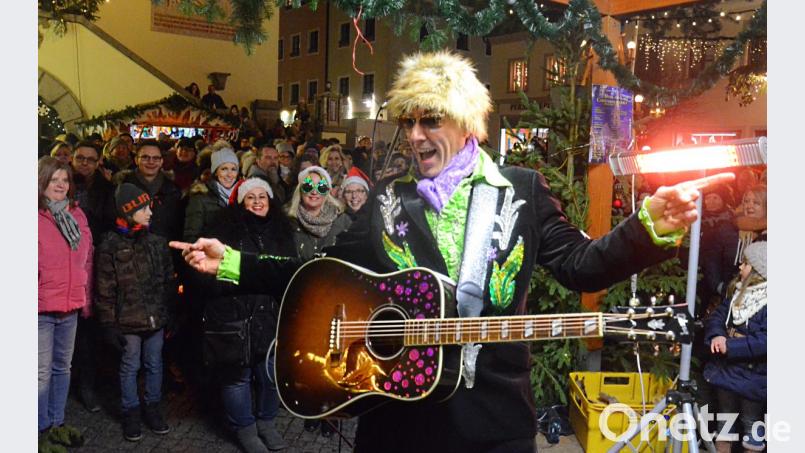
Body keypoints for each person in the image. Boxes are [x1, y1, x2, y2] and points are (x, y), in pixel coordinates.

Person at [172, 51, 734, 453]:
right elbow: (321, 273)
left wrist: (647, 228)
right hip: (392, 419)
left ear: (466, 124)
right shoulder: (389, 197)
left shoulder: (520, 191)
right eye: (408, 121)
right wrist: (234, 263)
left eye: (430, 120)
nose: (415, 135)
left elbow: (580, 265)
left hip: (491, 423)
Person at [199, 178, 295, 452]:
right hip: (233, 316)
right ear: (240, 203)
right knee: (236, 377)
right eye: (250, 197)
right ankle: (246, 428)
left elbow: (286, 273)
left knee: (269, 374)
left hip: (269, 315)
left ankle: (267, 422)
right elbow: (209, 274)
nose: (256, 202)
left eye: (261, 196)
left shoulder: (282, 232)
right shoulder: (222, 230)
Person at [95, 183, 175, 442]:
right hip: (127, 319)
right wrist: (108, 323)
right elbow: (104, 287)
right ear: (128, 212)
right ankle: (130, 410)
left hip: (155, 317)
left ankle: (152, 407)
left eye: (149, 206)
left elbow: (166, 280)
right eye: (143, 208)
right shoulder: (111, 244)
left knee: (154, 363)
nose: (149, 212)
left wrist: (169, 311)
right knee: (131, 365)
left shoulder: (156, 241)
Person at [38, 157, 92, 451]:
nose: (60, 184)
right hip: (40, 309)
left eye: (64, 179)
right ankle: (38, 430)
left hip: (69, 306)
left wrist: (85, 297)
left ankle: (56, 423)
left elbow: (88, 259)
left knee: (62, 367)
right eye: (53, 179)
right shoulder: (33, 216)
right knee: (39, 372)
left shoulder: (77, 215)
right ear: (40, 182)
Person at [704, 241, 767, 453]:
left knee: (752, 424)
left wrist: (732, 347)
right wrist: (717, 336)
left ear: (758, 270)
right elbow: (717, 318)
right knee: (725, 421)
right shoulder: (736, 295)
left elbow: (765, 341)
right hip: (727, 372)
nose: (740, 267)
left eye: (746, 264)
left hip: (753, 376)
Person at [70, 141, 116, 413]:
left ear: (98, 162)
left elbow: (109, 225)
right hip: (66, 264)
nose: (84, 163)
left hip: (94, 263)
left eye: (90, 159)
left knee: (89, 330)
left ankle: (89, 384)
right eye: (80, 158)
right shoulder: (63, 184)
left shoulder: (107, 190)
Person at [116, 139, 184, 243]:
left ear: (161, 161)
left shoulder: (173, 191)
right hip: (130, 252)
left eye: (156, 158)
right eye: (145, 157)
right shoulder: (121, 188)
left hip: (164, 252)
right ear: (136, 160)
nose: (151, 162)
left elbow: (177, 228)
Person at [284, 166, 351, 260]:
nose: (314, 192)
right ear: (300, 189)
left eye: (321, 187)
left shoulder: (343, 221)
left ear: (327, 192)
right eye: (308, 186)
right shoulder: (287, 223)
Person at [184, 147, 240, 243]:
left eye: (233, 169)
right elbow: (191, 237)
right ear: (215, 172)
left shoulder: (243, 197)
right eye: (224, 169)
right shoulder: (200, 198)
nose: (229, 174)